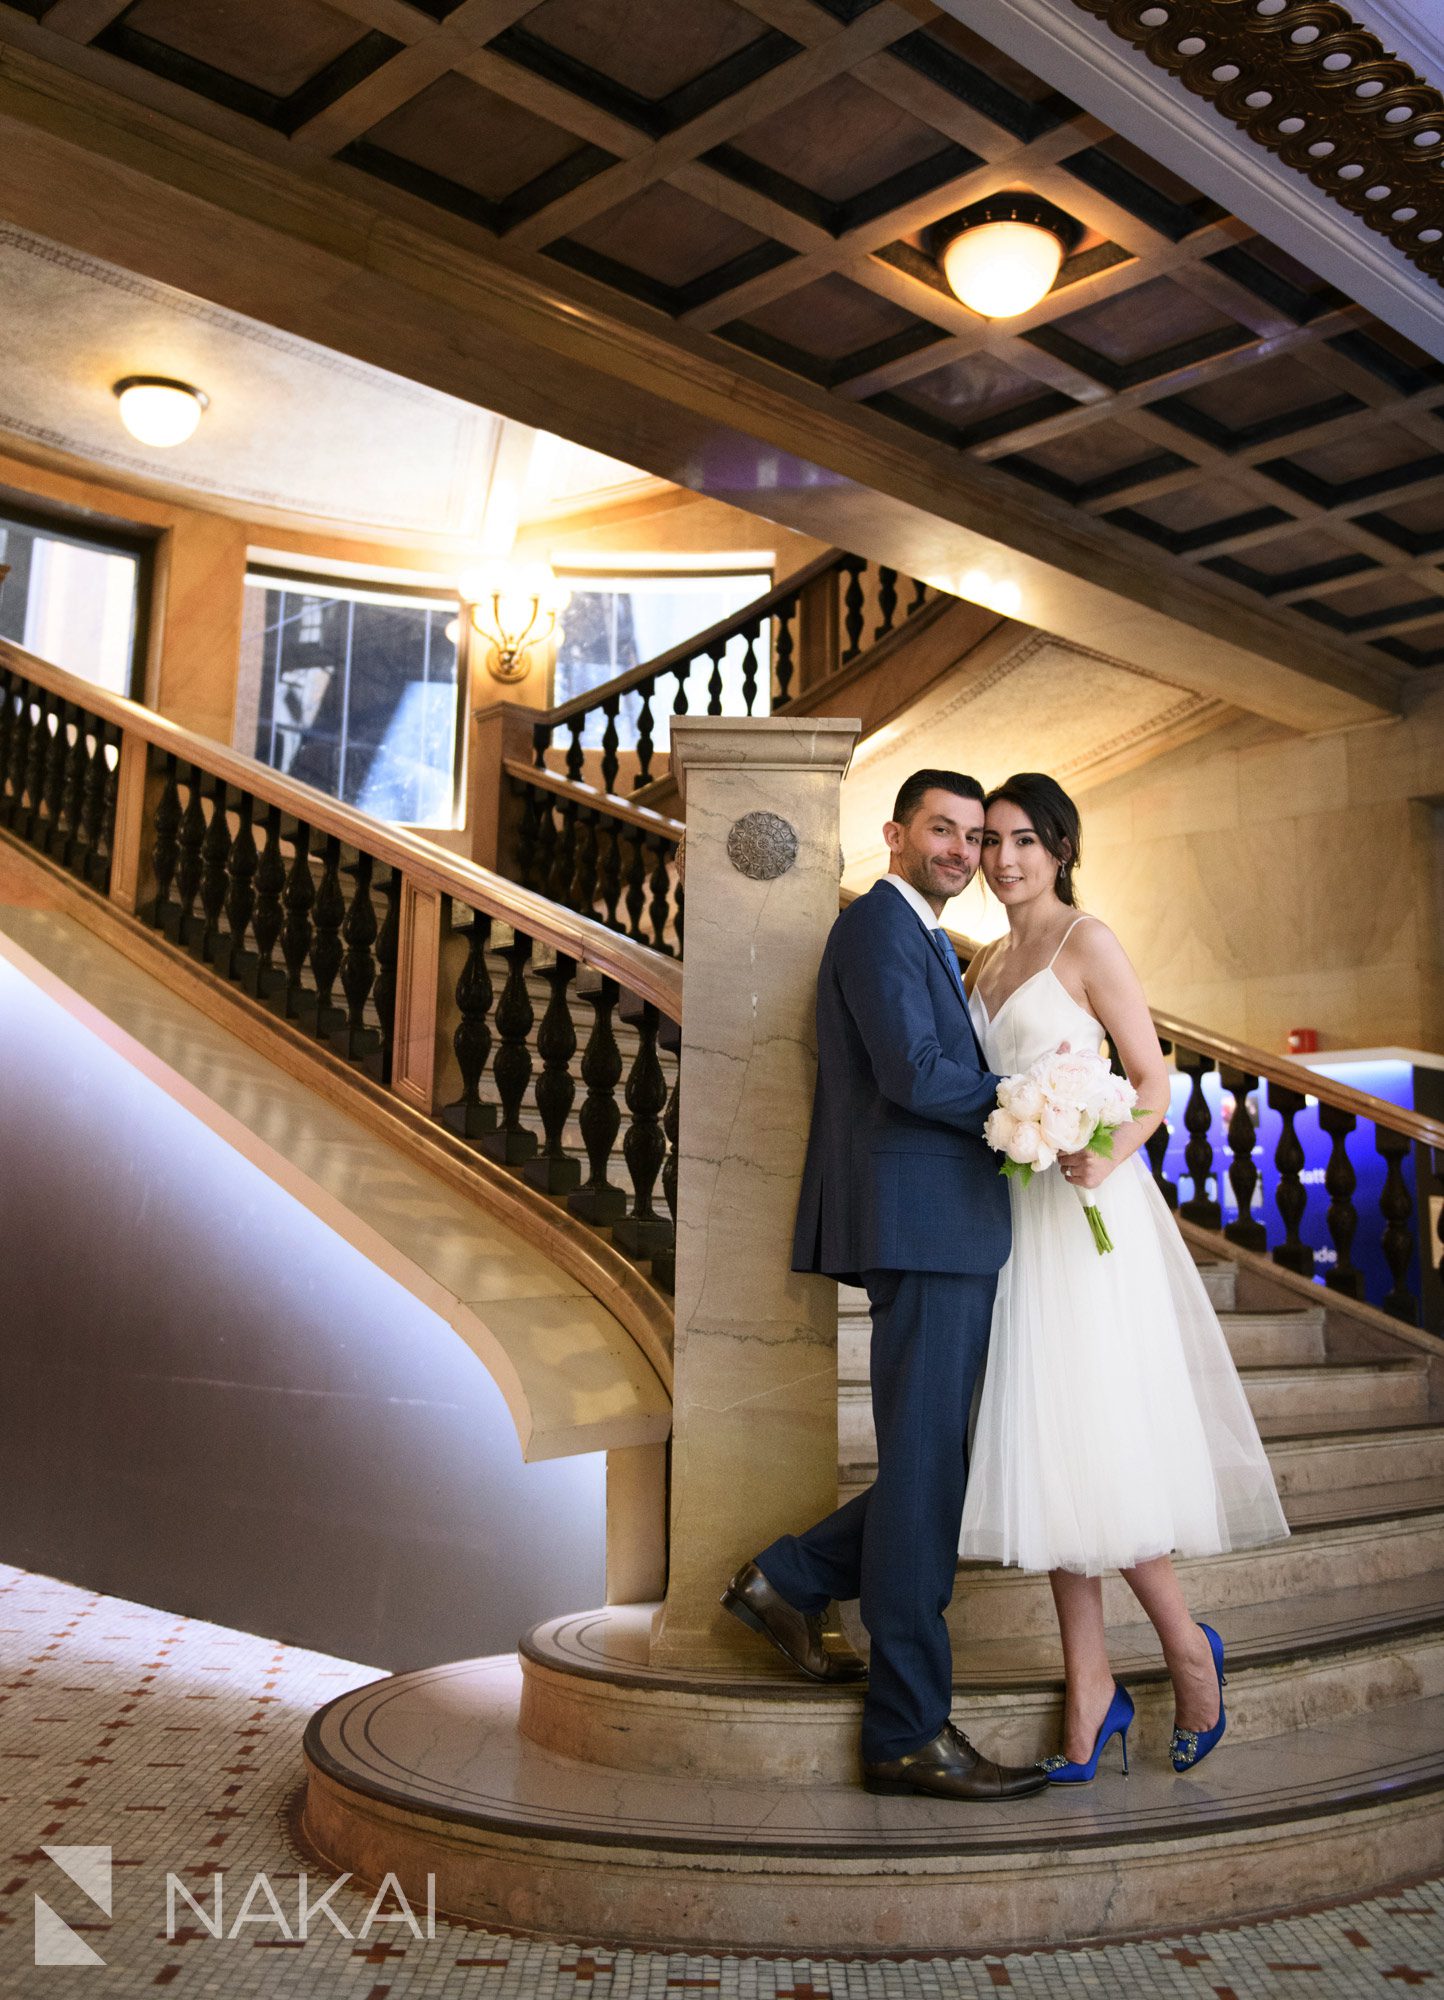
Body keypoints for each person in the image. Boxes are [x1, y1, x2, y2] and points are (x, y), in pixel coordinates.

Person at [721, 769, 1048, 1801]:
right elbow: (910, 1073)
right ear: (894, 833)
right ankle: (907, 1727)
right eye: (941, 829)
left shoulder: (922, 936)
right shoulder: (876, 928)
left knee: (930, 1467)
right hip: (924, 1225)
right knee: (926, 1473)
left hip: (945, 1225)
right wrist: (1032, 1096)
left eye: (971, 835)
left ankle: (793, 1577)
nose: (959, 848)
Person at [960, 772, 1288, 1781]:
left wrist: (1106, 1150)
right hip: (1016, 1217)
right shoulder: (980, 961)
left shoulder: (1083, 942)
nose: (1003, 858)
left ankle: (1192, 1653)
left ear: (1059, 846)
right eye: (990, 841)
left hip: (1087, 1213)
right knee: (1054, 1453)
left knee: (1097, 1442)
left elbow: (1152, 1080)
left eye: (1023, 839)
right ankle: (1089, 1685)